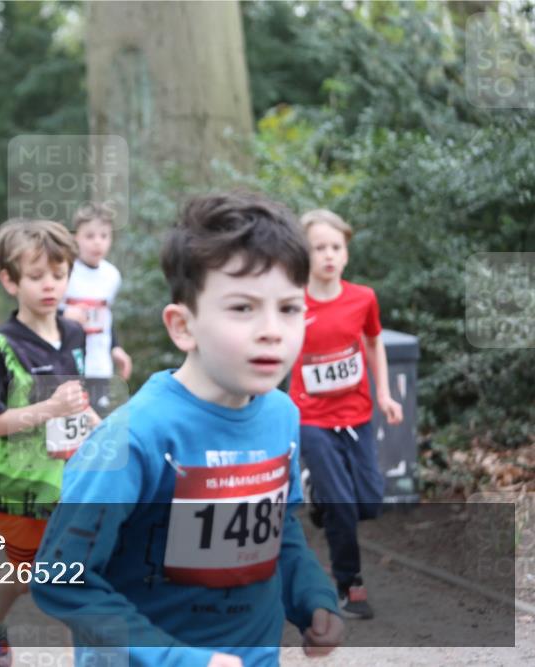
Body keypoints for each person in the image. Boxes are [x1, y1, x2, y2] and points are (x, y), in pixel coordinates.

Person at [31, 193, 343, 667]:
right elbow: (60, 576)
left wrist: (312, 597)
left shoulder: (283, 415)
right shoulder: (131, 439)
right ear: (182, 327)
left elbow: (282, 532)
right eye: (242, 308)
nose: (272, 330)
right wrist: (181, 659)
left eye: (289, 308)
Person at [0, 219, 100, 667]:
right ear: (10, 280)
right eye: (36, 276)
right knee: (27, 575)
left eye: (59, 274)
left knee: (75, 578)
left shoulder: (75, 334)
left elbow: (78, 402)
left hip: (74, 480)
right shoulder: (1, 345)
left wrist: (107, 433)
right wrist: (46, 411)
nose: (50, 285)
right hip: (22, 486)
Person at [288, 209, 403, 621]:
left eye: (336, 247)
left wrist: (385, 394)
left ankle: (316, 492)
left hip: (357, 414)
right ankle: (350, 587)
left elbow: (374, 344)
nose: (329, 255)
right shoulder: (291, 302)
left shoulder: (363, 298)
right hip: (312, 417)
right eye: (319, 248)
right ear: (305, 254)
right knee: (340, 504)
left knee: (368, 503)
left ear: (347, 253)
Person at [61, 203, 133, 417]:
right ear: (76, 237)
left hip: (99, 365)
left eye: (104, 236)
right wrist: (63, 316)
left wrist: (116, 347)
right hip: (66, 366)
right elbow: (41, 314)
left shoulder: (112, 276)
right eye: (89, 236)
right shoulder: (64, 272)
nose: (97, 242)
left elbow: (105, 317)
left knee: (98, 428)